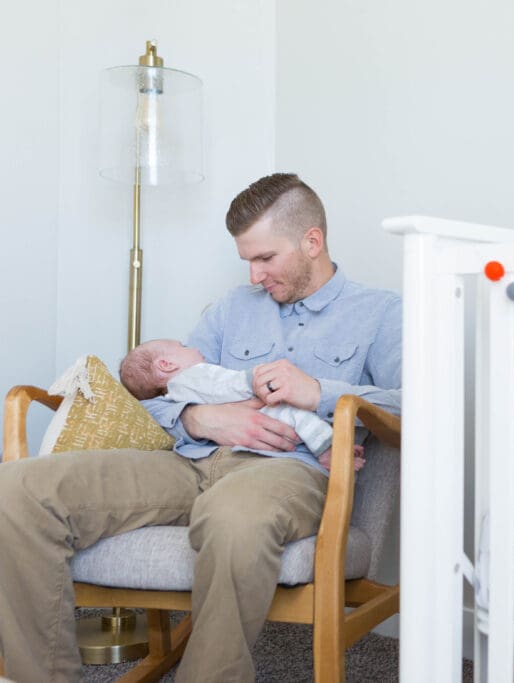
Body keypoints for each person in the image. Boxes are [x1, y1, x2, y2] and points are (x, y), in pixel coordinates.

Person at [0, 173, 401, 682]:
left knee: (232, 514)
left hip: (289, 473)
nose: (255, 276)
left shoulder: (381, 313)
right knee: (16, 488)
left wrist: (317, 391)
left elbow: (417, 409)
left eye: (265, 258)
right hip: (187, 460)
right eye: (247, 261)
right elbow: (166, 392)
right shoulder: (231, 310)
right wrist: (201, 417)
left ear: (312, 241)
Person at [119, 338, 365, 472]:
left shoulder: (175, 394)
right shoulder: (193, 376)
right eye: (182, 347)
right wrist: (256, 378)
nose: (194, 347)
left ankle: (330, 447)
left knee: (299, 421)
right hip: (261, 417)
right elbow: (225, 384)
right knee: (298, 416)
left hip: (256, 457)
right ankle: (329, 451)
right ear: (166, 365)